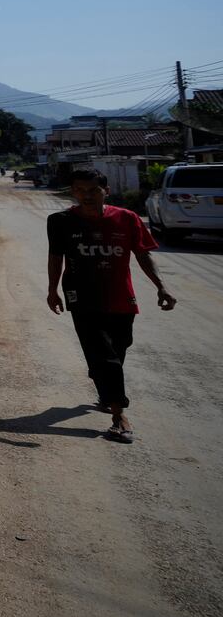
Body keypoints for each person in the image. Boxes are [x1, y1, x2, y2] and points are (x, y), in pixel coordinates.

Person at [46, 169, 176, 443]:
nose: (86, 196)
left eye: (93, 190)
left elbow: (142, 254)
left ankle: (104, 385)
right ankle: (119, 416)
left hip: (120, 297)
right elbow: (56, 257)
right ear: (72, 192)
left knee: (119, 347)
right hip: (81, 296)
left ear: (106, 190)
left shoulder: (127, 219)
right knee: (105, 356)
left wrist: (161, 286)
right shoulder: (61, 221)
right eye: (80, 190)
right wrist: (52, 289)